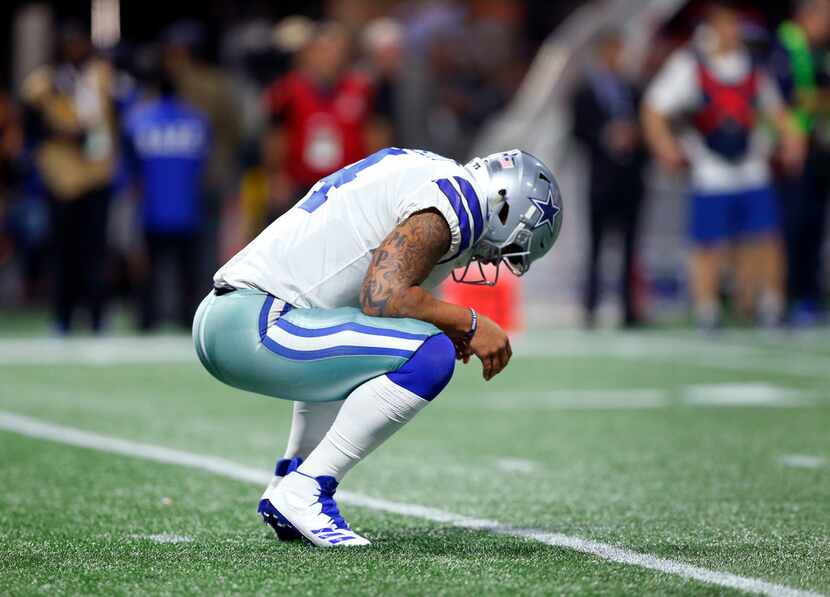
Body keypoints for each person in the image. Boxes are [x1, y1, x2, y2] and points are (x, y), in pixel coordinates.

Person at [192, 148, 563, 547]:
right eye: (506, 248)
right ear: (506, 206)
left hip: (229, 316)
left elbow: (366, 303)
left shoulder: (430, 174)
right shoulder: (460, 202)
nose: (493, 259)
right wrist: (468, 322)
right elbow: (383, 296)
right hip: (258, 323)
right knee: (430, 355)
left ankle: (290, 479)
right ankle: (307, 490)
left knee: (369, 354)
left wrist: (442, 320)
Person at [642, 1, 805, 330]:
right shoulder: (689, 64)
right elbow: (654, 108)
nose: (734, 32)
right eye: (728, 24)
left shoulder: (753, 65)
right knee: (707, 243)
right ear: (714, 27)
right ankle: (707, 308)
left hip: (751, 165)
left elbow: (776, 111)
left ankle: (767, 304)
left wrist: (793, 140)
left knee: (765, 237)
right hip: (711, 166)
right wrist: (664, 146)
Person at [21, 24, 118, 334]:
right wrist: (60, 133)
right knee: (63, 253)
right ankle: (62, 317)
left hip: (95, 174)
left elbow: (116, 114)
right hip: (61, 177)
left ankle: (97, 317)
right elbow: (32, 128)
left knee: (95, 251)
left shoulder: (102, 76)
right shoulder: (43, 82)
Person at [123, 70, 211, 331]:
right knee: (188, 271)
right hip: (187, 206)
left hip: (151, 208)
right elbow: (203, 162)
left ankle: (147, 319)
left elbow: (129, 168)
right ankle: (188, 319)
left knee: (149, 270)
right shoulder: (197, 120)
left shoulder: (137, 119)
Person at [572, 30, 647, 328]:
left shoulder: (633, 89)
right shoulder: (584, 92)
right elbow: (577, 132)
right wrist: (606, 137)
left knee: (631, 246)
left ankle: (629, 308)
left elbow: (646, 128)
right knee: (596, 246)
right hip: (601, 178)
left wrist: (633, 138)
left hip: (630, 179)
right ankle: (590, 307)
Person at [262, 22, 382, 200]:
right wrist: (276, 175)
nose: (332, 58)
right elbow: (277, 136)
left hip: (350, 185)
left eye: (337, 51)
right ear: (310, 54)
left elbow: (374, 133)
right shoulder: (287, 90)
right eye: (325, 50)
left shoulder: (361, 89)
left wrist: (377, 175)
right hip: (302, 185)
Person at [769, 0, 830, 326]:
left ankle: (809, 293)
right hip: (791, 150)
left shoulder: (818, 49)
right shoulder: (785, 44)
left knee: (814, 225)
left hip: (818, 147)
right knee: (791, 225)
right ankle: (787, 296)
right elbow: (788, 98)